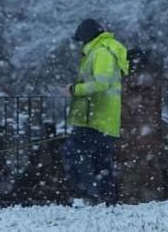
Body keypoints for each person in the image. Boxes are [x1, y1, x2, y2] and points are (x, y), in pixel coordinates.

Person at [61, 19, 129, 205]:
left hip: (95, 118)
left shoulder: (101, 53)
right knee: (101, 162)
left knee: (74, 153)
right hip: (102, 119)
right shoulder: (101, 51)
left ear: (86, 37)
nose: (80, 45)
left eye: (80, 40)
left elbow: (101, 84)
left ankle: (88, 195)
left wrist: (75, 90)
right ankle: (106, 199)